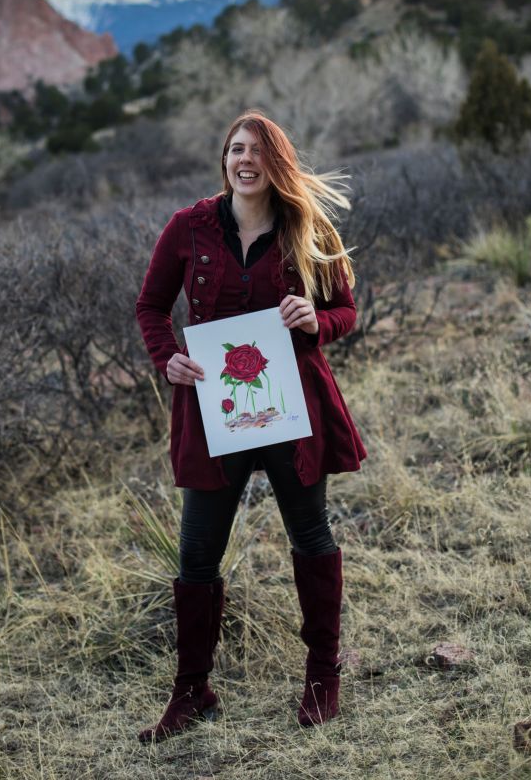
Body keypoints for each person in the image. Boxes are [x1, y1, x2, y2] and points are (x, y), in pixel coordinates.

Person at [135, 111, 366, 741]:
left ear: (277, 163)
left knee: (311, 535)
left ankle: (322, 675)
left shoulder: (305, 226)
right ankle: (192, 691)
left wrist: (318, 321)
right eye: (236, 149)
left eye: (258, 151)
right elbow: (151, 305)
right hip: (215, 411)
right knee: (196, 553)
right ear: (224, 159)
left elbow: (346, 310)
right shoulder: (188, 228)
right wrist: (168, 358)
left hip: (292, 407)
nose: (246, 160)